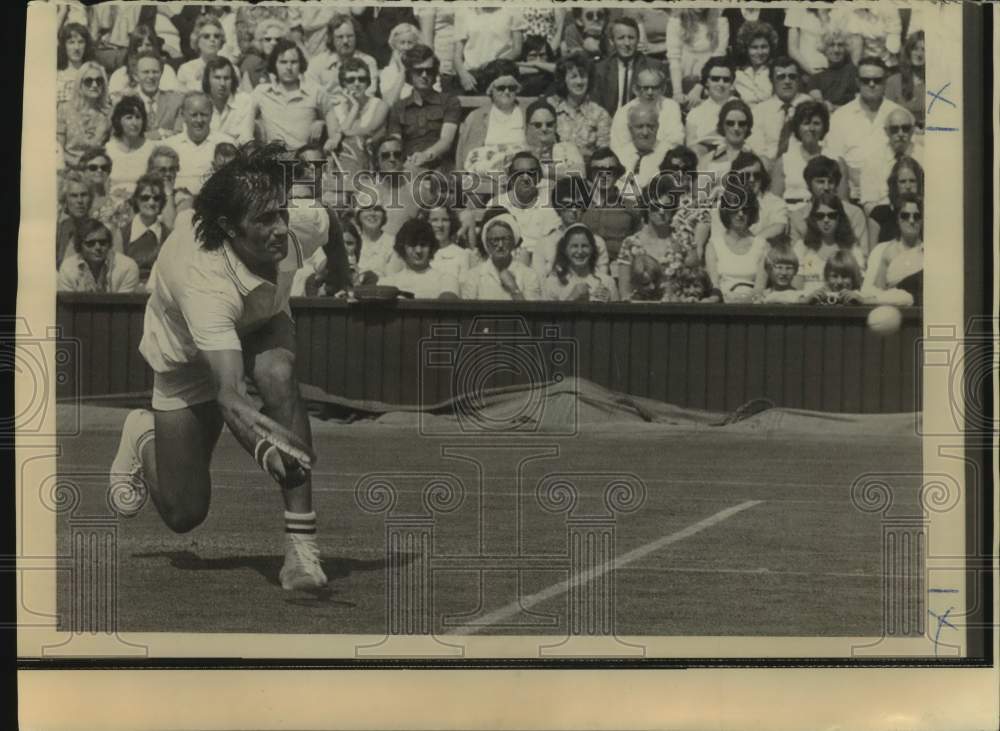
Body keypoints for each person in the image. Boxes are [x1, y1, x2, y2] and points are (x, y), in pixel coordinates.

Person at [109, 143, 330, 591]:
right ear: (229, 228)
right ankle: (142, 433)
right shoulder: (204, 283)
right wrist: (268, 451)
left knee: (277, 374)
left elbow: (333, 225)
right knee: (184, 513)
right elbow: (229, 393)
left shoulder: (295, 227)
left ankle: (302, 551)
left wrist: (342, 274)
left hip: (262, 322)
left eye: (281, 213)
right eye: (264, 220)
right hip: (187, 355)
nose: (280, 228)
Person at [824, 57, 904, 202]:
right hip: (852, 196)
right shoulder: (840, 116)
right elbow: (834, 161)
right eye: (865, 80)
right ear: (857, 82)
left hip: (892, 197)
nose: (871, 84)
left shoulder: (898, 114)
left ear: (885, 81)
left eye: (877, 80)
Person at [618, 177, 710, 302]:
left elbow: (695, 284)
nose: (661, 212)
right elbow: (625, 294)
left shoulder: (685, 240)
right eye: (655, 207)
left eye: (666, 207)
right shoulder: (630, 243)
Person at [252, 40, 339, 151]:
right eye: (283, 62)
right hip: (273, 159)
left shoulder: (315, 91)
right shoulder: (261, 92)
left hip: (306, 157)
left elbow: (332, 124)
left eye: (294, 62)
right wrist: (256, 125)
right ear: (275, 64)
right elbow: (242, 116)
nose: (289, 67)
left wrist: (324, 126)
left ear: (300, 64)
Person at [487, 152, 563, 278]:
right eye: (519, 173)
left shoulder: (550, 202)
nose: (526, 178)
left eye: (531, 172)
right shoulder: (497, 204)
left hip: (546, 267)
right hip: (508, 266)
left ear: (539, 177)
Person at [386, 44, 461, 170]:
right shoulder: (399, 107)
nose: (425, 75)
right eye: (418, 71)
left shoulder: (449, 102)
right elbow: (395, 142)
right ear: (409, 74)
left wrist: (425, 156)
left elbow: (446, 141)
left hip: (440, 166)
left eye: (429, 70)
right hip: (408, 165)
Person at [770, 100, 847, 207]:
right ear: (797, 127)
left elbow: (844, 203)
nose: (811, 129)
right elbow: (774, 203)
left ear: (824, 127)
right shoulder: (784, 161)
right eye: (806, 123)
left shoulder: (836, 160)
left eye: (816, 123)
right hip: (790, 215)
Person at [455, 60, 526, 174]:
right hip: (486, 180)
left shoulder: (526, 114)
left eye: (511, 87)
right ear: (490, 89)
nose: (507, 92)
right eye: (501, 87)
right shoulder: (476, 117)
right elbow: (464, 159)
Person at [789, 155, 870, 253]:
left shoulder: (854, 213)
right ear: (809, 184)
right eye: (820, 182)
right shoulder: (798, 217)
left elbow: (862, 253)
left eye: (831, 182)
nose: (826, 187)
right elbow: (795, 256)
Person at [792, 193, 867, 293]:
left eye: (832, 215)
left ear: (839, 217)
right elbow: (796, 288)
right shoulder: (802, 247)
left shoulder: (852, 249)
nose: (826, 220)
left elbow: (858, 286)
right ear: (813, 218)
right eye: (820, 216)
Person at [546, 51, 612, 163]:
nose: (579, 82)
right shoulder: (550, 108)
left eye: (583, 76)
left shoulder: (600, 114)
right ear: (563, 80)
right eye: (573, 77)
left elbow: (604, 155)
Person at [460, 212, 542, 301]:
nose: (500, 245)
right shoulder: (474, 276)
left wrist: (514, 289)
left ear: (513, 241)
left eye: (505, 239)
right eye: (495, 240)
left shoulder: (529, 275)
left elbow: (532, 313)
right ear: (487, 243)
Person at [163, 92, 235, 195]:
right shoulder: (169, 146)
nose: (199, 120)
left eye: (204, 115)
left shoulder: (227, 143)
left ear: (211, 115)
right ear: (183, 115)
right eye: (193, 115)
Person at [324, 58, 389, 169]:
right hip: (344, 166)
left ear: (368, 82)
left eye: (362, 79)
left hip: (372, 164)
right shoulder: (333, 112)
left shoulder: (380, 105)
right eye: (351, 80)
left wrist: (340, 134)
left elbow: (367, 132)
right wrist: (355, 108)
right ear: (343, 84)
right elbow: (334, 144)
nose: (357, 84)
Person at [610, 66, 683, 163]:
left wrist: (651, 158)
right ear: (635, 89)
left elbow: (676, 141)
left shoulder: (671, 107)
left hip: (663, 161)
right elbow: (618, 146)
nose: (650, 92)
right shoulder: (623, 112)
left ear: (663, 89)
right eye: (645, 88)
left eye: (655, 88)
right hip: (630, 161)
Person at [592, 16, 663, 116]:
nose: (627, 43)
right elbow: (596, 107)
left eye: (631, 38)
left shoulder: (653, 67)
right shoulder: (600, 70)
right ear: (612, 41)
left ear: (638, 40)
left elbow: (660, 107)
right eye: (621, 38)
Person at [746, 57, 812, 164]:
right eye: (781, 77)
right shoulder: (760, 111)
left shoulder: (810, 105)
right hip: (769, 166)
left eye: (792, 76)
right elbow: (756, 147)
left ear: (799, 80)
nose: (787, 81)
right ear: (772, 80)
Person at [705, 189, 768, 302]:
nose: (740, 214)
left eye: (745, 210)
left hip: (752, 305)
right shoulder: (714, 245)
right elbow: (715, 287)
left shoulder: (761, 244)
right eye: (735, 209)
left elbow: (759, 289)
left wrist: (743, 300)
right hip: (723, 303)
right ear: (727, 212)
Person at [710, 151, 788, 242]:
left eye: (757, 175)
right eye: (745, 175)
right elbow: (718, 238)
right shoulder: (722, 203)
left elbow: (779, 227)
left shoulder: (775, 203)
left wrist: (749, 246)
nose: (752, 180)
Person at [862, 193, 923, 304]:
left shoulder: (929, 252)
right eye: (905, 216)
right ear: (897, 219)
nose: (911, 220)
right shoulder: (883, 250)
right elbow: (873, 291)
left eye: (917, 216)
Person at [859, 108, 923, 212]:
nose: (900, 133)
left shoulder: (924, 157)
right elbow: (868, 204)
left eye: (905, 128)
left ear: (912, 131)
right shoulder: (872, 161)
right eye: (894, 129)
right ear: (886, 131)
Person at [379, 219, 460, 298]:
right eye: (412, 244)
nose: (418, 250)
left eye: (423, 245)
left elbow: (445, 308)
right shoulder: (387, 283)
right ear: (402, 247)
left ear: (431, 247)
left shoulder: (447, 281)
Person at [452, 8, 527, 94]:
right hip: (472, 77)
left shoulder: (512, 10)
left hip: (501, 75)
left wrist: (492, 65)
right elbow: (457, 55)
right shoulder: (464, 12)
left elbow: (517, 50)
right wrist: (463, 75)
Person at [666, 9, 729, 108]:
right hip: (682, 79)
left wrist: (700, 86)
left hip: (709, 80)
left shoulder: (720, 22)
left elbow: (718, 58)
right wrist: (677, 92)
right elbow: (674, 59)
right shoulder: (675, 22)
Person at [58, 218, 140, 293]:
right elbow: (68, 306)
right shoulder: (68, 268)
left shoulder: (127, 267)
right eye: (90, 243)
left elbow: (125, 305)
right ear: (79, 246)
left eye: (103, 242)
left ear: (109, 244)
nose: (98, 247)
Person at [543, 224, 618, 302]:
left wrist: (608, 305)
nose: (580, 251)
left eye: (584, 246)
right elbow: (548, 314)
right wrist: (572, 298)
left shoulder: (607, 282)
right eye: (574, 246)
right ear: (565, 250)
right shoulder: (553, 283)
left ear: (592, 249)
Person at [57, 62, 112, 170]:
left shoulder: (109, 113)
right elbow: (58, 149)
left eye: (99, 81)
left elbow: (111, 149)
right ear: (80, 84)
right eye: (88, 81)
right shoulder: (64, 109)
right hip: (69, 169)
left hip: (97, 170)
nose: (94, 85)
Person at [118, 173, 171, 284]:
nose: (151, 203)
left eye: (156, 198)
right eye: (145, 198)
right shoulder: (121, 235)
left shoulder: (169, 236)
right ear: (136, 200)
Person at [551, 176, 610, 274]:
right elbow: (541, 282)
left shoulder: (597, 242)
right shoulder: (545, 242)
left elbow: (602, 279)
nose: (574, 210)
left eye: (578, 205)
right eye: (568, 205)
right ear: (558, 207)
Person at [521, 100, 586, 182]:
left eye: (549, 124)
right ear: (527, 127)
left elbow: (581, 173)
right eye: (538, 125)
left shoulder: (568, 148)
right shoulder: (520, 150)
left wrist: (540, 171)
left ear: (556, 126)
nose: (544, 129)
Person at [109, 25, 179, 99]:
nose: (144, 49)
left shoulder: (167, 71)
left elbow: (173, 98)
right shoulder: (121, 73)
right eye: (139, 45)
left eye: (148, 45)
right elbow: (115, 100)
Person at [106, 96, 158, 194]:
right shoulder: (109, 150)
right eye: (129, 118)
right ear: (119, 120)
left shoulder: (151, 149)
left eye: (138, 117)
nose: (134, 123)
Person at [129, 52, 186, 140]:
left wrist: (142, 137)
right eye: (146, 72)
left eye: (155, 72)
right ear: (136, 76)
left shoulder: (177, 101)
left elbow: (180, 135)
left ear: (161, 74)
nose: (151, 76)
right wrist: (160, 133)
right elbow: (123, 138)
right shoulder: (124, 103)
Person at [683, 56, 736, 150]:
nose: (721, 84)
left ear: (731, 83)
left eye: (726, 80)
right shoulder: (695, 113)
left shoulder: (740, 107)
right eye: (715, 79)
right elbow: (691, 146)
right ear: (707, 82)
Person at [869, 156, 923, 244]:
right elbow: (873, 255)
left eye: (912, 181)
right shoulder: (879, 214)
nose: (908, 186)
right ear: (894, 185)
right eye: (903, 181)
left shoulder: (927, 215)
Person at [202, 57, 254, 145]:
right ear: (207, 80)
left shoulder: (244, 101)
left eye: (226, 78)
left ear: (232, 80)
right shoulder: (200, 102)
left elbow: (246, 140)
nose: (222, 84)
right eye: (217, 78)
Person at [617, 104, 670, 188]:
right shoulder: (620, 155)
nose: (645, 132)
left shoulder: (668, 154)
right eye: (639, 127)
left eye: (650, 126)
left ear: (657, 127)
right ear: (630, 129)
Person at [699, 99, 754, 177]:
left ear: (748, 126)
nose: (736, 128)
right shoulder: (707, 160)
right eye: (730, 123)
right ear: (722, 125)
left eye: (742, 123)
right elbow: (702, 188)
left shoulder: (756, 160)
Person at [806, 29, 857, 109]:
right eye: (831, 45)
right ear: (824, 49)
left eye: (840, 45)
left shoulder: (854, 73)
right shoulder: (816, 78)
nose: (836, 50)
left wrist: (834, 107)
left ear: (846, 48)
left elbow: (859, 102)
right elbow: (819, 104)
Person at [420, 205, 472, 282]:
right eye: (434, 220)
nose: (440, 225)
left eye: (445, 220)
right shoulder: (419, 252)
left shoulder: (462, 254)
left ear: (452, 223)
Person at [733, 21, 779, 108]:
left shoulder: (775, 71)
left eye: (764, 47)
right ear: (746, 49)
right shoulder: (738, 73)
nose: (760, 52)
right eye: (754, 47)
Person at [884, 31, 925, 129]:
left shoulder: (938, 82)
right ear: (908, 52)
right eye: (915, 49)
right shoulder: (893, 81)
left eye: (924, 50)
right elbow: (886, 117)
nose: (919, 54)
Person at [785, 6, 842, 76]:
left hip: (829, 71)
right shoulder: (796, 10)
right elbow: (792, 49)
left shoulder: (833, 11)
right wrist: (810, 71)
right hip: (805, 71)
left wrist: (823, 15)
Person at [56, 171, 94, 269]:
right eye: (74, 195)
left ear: (90, 199)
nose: (79, 201)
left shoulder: (98, 229)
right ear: (65, 200)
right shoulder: (60, 229)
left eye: (84, 195)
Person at [176, 16, 226, 92]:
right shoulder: (185, 69)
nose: (212, 39)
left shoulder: (230, 68)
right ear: (197, 41)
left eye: (216, 36)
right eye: (206, 36)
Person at [378, 23, 422, 108]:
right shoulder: (387, 72)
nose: (406, 47)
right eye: (402, 43)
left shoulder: (425, 70)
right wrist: (402, 72)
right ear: (395, 46)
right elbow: (390, 103)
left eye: (410, 43)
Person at [239, 18, 288, 92]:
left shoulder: (274, 63)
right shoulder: (255, 62)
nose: (273, 43)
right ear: (260, 40)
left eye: (278, 40)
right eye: (268, 39)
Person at [353, 203, 398, 280]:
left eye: (377, 209)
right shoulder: (351, 241)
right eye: (367, 209)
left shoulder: (393, 243)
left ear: (383, 215)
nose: (372, 213)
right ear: (358, 215)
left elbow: (394, 279)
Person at [57, 22, 96, 104]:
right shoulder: (57, 76)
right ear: (64, 46)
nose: (76, 47)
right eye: (71, 42)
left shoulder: (94, 74)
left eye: (81, 42)